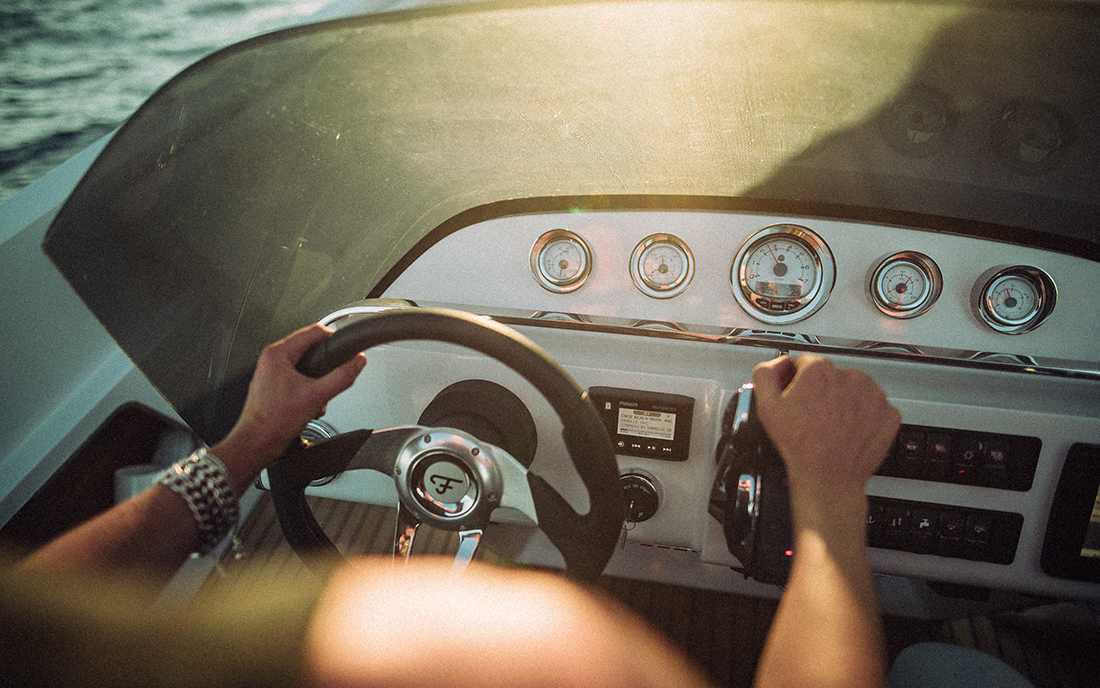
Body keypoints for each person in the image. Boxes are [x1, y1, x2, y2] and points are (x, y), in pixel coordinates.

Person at [5, 322, 904, 688]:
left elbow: (64, 606)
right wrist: (828, 493)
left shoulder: (46, 647)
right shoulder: (509, 649)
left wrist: (251, 445)